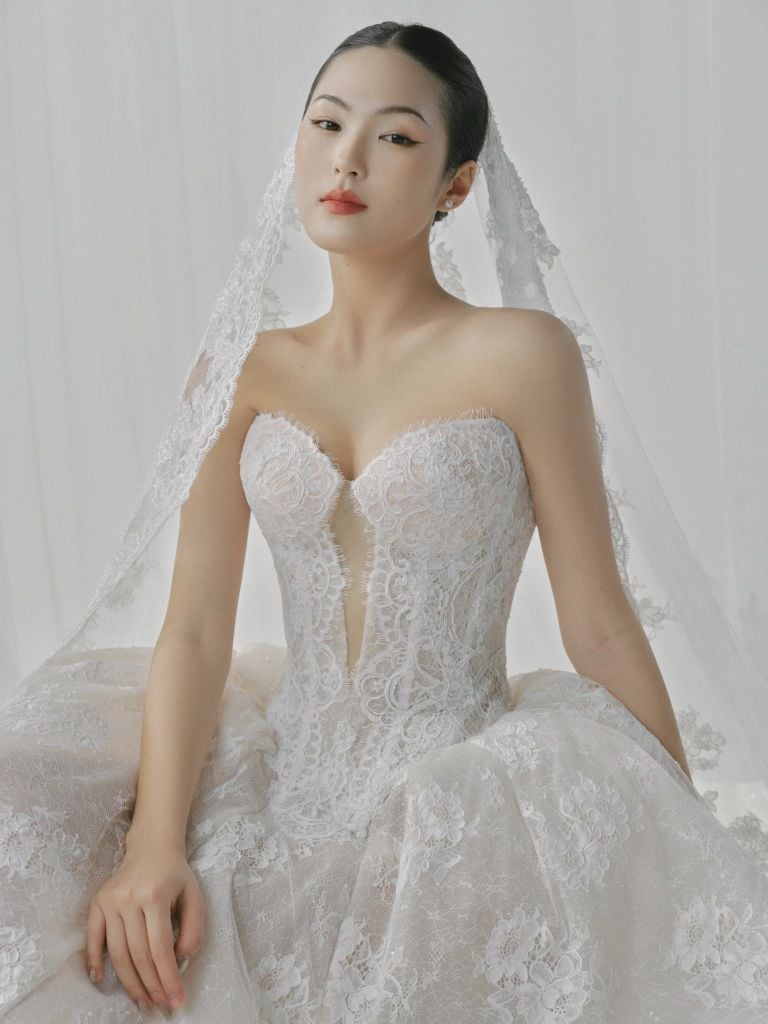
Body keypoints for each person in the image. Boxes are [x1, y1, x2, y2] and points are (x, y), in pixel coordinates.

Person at [2, 20, 767, 1023]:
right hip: (278, 773)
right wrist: (154, 846)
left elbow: (600, 624)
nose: (348, 158)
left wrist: (681, 836)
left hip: (459, 797)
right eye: (327, 123)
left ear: (457, 185)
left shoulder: (521, 355)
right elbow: (193, 627)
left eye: (397, 136)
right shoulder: (242, 370)